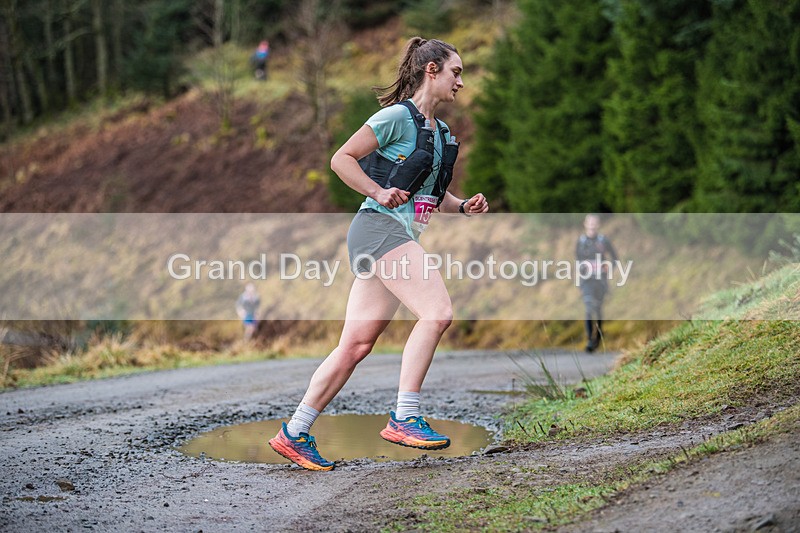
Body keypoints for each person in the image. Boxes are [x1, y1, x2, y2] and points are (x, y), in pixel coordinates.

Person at [269, 37, 488, 471]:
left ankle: (294, 432)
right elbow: (341, 158)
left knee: (355, 345)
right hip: (376, 230)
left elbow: (431, 192)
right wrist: (376, 190)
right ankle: (406, 416)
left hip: (392, 237)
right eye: (456, 72)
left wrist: (461, 206)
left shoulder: (440, 133)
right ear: (431, 70)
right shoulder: (395, 118)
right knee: (438, 312)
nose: (461, 82)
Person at [576, 214, 618, 352]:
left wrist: (608, 268)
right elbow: (577, 262)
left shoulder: (603, 241)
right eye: (590, 222)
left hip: (600, 280)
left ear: (598, 224)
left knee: (598, 309)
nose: (592, 225)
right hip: (586, 280)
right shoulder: (581, 242)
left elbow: (615, 258)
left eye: (595, 222)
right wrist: (579, 282)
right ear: (585, 224)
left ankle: (598, 338)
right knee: (588, 308)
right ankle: (590, 340)